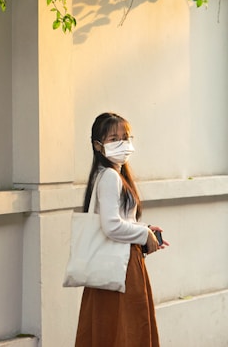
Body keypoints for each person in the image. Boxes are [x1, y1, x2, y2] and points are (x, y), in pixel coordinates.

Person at [74, 112, 167, 347]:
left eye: (125, 137)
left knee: (111, 330)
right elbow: (111, 226)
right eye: (113, 138)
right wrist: (143, 234)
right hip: (120, 268)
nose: (122, 143)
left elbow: (119, 219)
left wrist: (143, 228)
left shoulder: (111, 175)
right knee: (125, 332)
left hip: (115, 265)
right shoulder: (110, 177)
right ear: (98, 145)